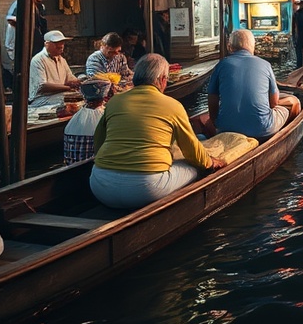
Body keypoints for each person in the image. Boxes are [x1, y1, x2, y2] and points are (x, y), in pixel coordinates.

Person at [89, 54, 222, 209]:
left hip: (100, 185)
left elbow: (98, 142)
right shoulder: (173, 105)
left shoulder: (114, 102)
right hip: (145, 188)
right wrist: (210, 163)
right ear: (162, 79)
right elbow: (192, 150)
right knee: (195, 166)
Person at [201, 29, 300, 140]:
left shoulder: (221, 65)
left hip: (226, 129)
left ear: (230, 47)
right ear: (253, 46)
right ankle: (284, 135)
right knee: (294, 103)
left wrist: (216, 122)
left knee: (205, 122)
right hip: (262, 130)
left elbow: (212, 101)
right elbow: (274, 103)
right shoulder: (265, 65)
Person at [3, 0, 48, 85]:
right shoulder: (20, 3)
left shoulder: (40, 6)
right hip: (25, 42)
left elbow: (43, 25)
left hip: (38, 41)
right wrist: (25, 28)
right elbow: (10, 19)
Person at [63, 79, 110, 165]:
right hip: (92, 169)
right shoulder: (103, 115)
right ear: (104, 98)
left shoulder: (76, 117)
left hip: (72, 170)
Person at [28, 30, 81, 107]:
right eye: (56, 43)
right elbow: (42, 86)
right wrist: (68, 88)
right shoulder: (38, 60)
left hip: (58, 96)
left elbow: (70, 78)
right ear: (46, 44)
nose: (61, 46)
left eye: (62, 43)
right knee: (68, 102)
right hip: (42, 99)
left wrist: (81, 82)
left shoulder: (62, 60)